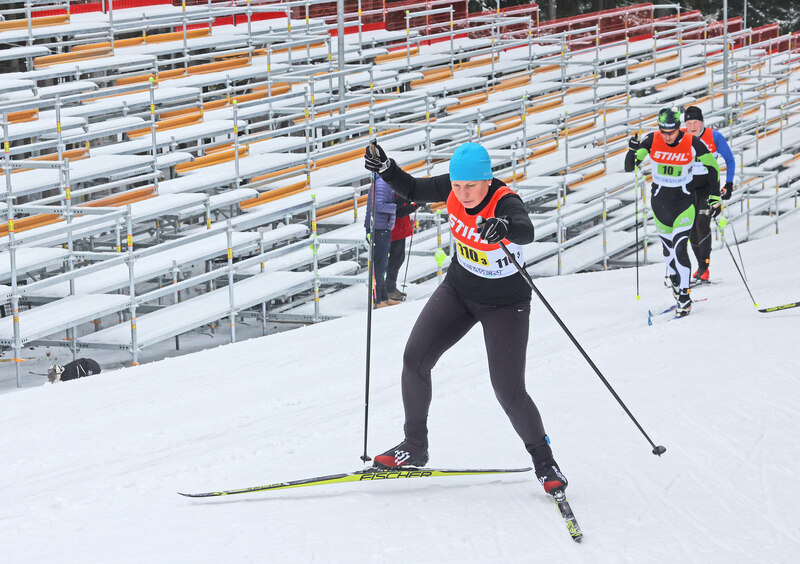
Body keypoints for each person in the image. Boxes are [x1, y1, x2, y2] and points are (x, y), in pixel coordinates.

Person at [364, 141, 568, 495]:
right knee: (414, 360)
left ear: (487, 179)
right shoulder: (452, 187)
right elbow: (413, 189)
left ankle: (544, 461)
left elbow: (526, 229)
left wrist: (504, 227)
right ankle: (415, 445)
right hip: (459, 290)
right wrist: (386, 169)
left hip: (505, 304)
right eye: (457, 186)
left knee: (508, 389)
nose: (463, 193)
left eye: (470, 186)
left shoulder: (504, 200)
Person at [625, 107, 721, 316]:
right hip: (661, 204)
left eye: (671, 132)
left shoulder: (692, 142)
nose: (667, 136)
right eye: (664, 131)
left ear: (679, 128)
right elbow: (630, 166)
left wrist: (715, 196)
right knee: (668, 251)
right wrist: (632, 150)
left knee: (679, 249)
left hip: (684, 204)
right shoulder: (652, 140)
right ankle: (676, 284)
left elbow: (713, 166)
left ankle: (685, 296)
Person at [683, 105, 736, 283]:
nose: (692, 127)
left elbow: (729, 159)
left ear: (702, 122)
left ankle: (704, 267)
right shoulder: (681, 136)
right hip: (688, 188)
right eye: (689, 123)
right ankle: (701, 266)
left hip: (708, 187)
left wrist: (729, 184)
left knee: (701, 222)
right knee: (690, 227)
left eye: (695, 122)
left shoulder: (714, 136)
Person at [364, 176, 396, 308]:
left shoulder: (383, 182)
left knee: (382, 264)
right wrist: (394, 206)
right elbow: (378, 205)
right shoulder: (382, 183)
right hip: (378, 228)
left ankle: (383, 297)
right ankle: (377, 299)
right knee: (379, 265)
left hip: (381, 226)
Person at [385, 194, 419, 303]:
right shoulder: (388, 192)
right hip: (393, 231)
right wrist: (415, 205)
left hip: (397, 230)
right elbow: (398, 211)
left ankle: (390, 287)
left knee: (398, 259)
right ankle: (389, 289)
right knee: (395, 260)